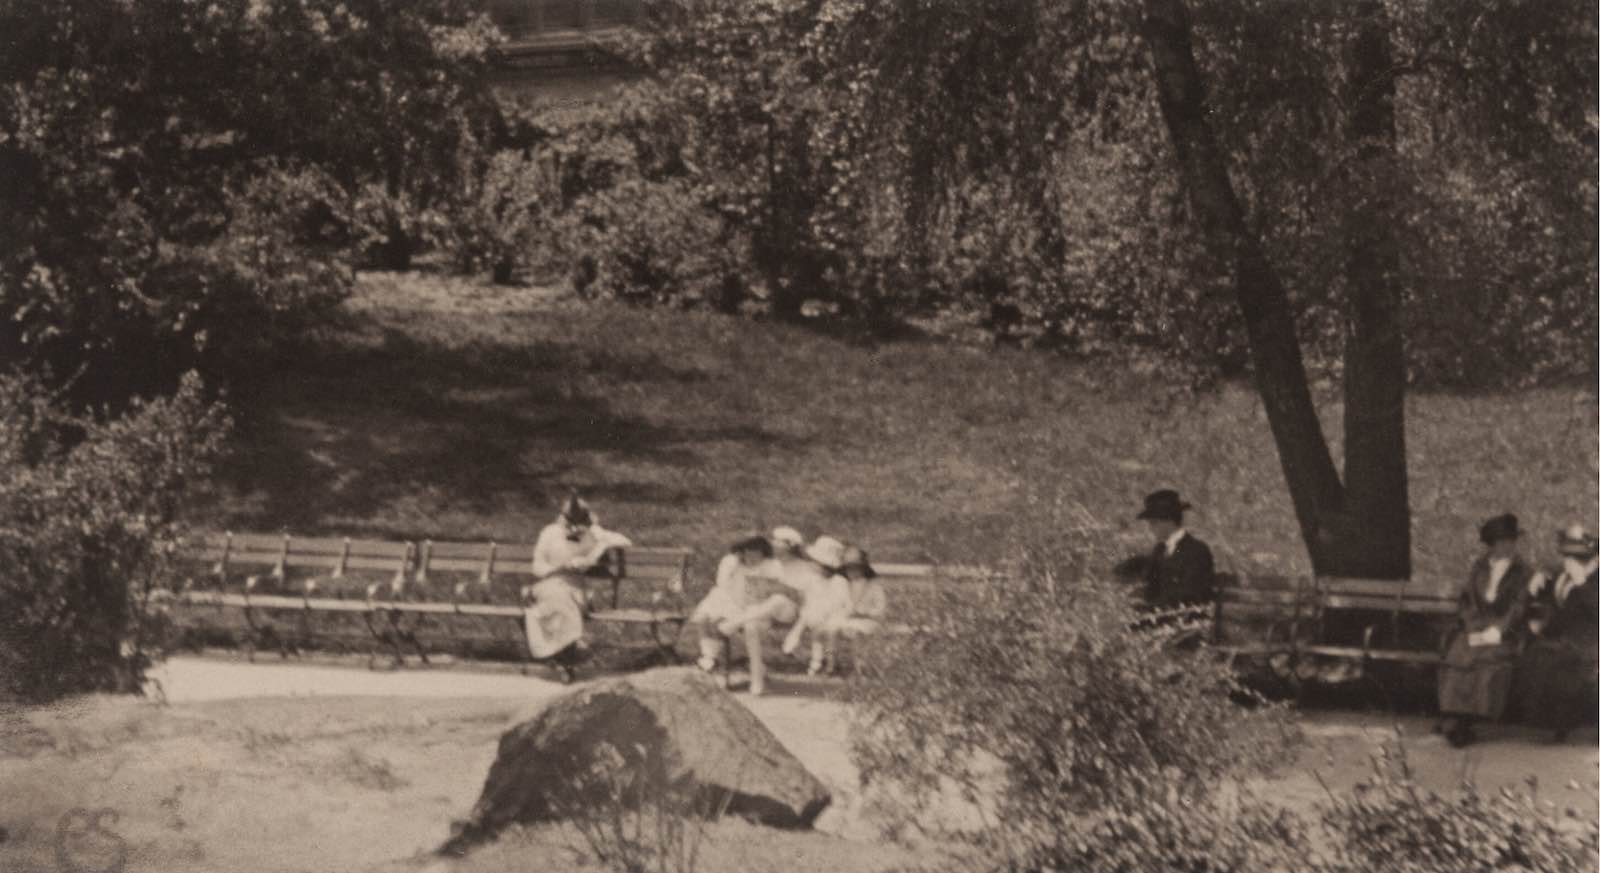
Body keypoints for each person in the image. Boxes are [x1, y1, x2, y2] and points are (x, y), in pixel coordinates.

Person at [1437, 513, 1532, 747]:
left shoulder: (1523, 572)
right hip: (1476, 627)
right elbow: (1467, 601)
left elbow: (1519, 606)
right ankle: (1454, 717)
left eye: (1510, 541)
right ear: (1491, 544)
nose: (1506, 546)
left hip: (1505, 633)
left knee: (1485, 661)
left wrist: (1498, 630)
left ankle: (1466, 720)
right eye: (1500, 542)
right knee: (1458, 654)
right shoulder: (1479, 567)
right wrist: (1473, 626)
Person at [524, 493, 632, 672]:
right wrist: (556, 568)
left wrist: (600, 546)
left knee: (561, 597)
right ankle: (566, 651)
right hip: (548, 583)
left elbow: (625, 541)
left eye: (579, 521)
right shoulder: (550, 533)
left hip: (574, 587)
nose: (573, 527)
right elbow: (537, 565)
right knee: (553, 595)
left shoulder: (592, 533)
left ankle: (562, 653)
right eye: (570, 521)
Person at [1518, 524, 1599, 742]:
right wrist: (1538, 579)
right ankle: (1556, 723)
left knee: (1556, 661)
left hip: (1591, 641)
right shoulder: (1563, 576)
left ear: (1595, 559)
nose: (1571, 562)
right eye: (1569, 557)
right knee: (1539, 655)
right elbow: (1554, 598)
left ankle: (1563, 724)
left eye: (1580, 558)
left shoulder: (1592, 579)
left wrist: (1582, 582)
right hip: (1565, 638)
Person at [785, 545, 888, 676]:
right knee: (830, 629)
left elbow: (880, 610)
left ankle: (860, 666)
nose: (853, 573)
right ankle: (830, 663)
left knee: (855, 632)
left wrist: (863, 613)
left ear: (864, 569)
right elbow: (841, 605)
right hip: (848, 621)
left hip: (868, 621)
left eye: (857, 569)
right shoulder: (844, 584)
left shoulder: (873, 587)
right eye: (849, 569)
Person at [691, 535, 779, 672]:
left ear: (764, 552)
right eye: (748, 551)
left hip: (754, 606)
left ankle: (712, 657)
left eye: (757, 552)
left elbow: (770, 591)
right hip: (727, 598)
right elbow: (722, 584)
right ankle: (708, 657)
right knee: (702, 617)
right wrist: (734, 565)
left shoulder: (771, 565)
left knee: (725, 623)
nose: (753, 556)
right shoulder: (731, 562)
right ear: (741, 552)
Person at [1136, 489, 1216, 610]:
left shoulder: (1197, 551)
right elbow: (1150, 583)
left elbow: (1192, 593)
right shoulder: (1160, 550)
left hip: (1189, 619)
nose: (1150, 528)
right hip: (1162, 617)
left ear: (1168, 521)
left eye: (1153, 523)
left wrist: (1154, 606)